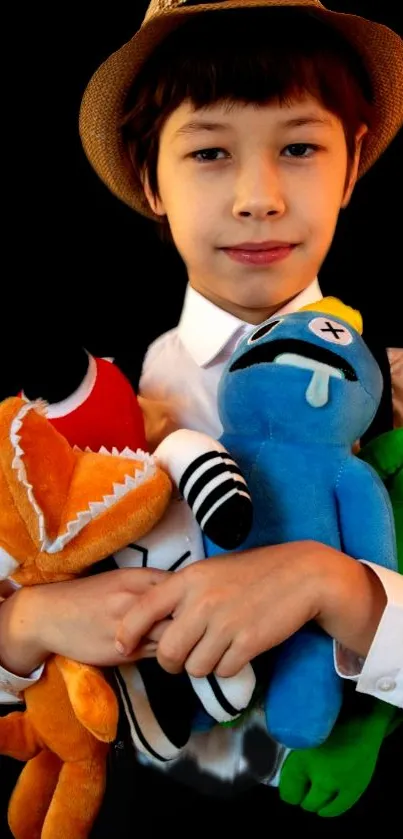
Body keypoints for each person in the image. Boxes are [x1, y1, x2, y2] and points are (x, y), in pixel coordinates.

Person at [0, 1, 402, 832]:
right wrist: (26, 621)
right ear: (151, 178)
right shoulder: (70, 402)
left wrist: (336, 586)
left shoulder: (392, 389)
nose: (257, 197)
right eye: (210, 152)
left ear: (352, 162)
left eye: (298, 147)